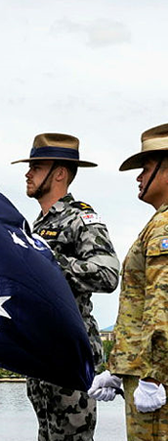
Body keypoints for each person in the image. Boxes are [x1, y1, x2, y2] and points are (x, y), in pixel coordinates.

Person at [12, 133, 120, 441]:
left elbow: (107, 273)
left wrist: (48, 260)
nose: (27, 173)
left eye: (36, 166)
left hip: (70, 354)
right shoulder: (36, 225)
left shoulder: (80, 218)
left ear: (59, 173)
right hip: (41, 354)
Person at [100, 123, 168, 440]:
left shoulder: (164, 227)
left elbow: (162, 304)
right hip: (143, 371)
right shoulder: (157, 223)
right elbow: (137, 311)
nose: (139, 177)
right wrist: (118, 369)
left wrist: (153, 376)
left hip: (158, 380)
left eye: (146, 168)